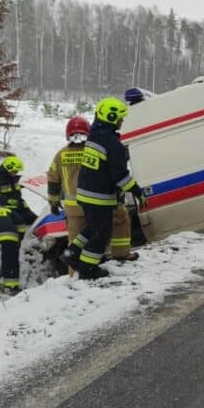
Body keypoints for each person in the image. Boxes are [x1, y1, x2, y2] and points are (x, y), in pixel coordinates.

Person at [63, 97, 146, 279]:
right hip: (98, 197)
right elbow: (121, 177)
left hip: (85, 194)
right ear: (111, 117)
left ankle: (73, 252)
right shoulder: (113, 144)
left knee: (93, 228)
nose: (122, 121)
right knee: (101, 235)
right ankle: (88, 269)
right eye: (120, 118)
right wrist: (138, 192)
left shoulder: (95, 135)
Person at [48, 116, 139, 266]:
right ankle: (120, 254)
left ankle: (75, 272)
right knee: (118, 222)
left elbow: (53, 178)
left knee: (77, 237)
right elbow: (112, 172)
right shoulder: (96, 150)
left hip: (74, 208)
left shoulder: (61, 155)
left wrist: (53, 200)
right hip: (100, 201)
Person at [0, 155, 37, 239]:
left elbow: (30, 180)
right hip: (8, 208)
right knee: (18, 223)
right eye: (14, 171)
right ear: (8, 168)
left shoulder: (16, 178)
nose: (16, 173)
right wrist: (4, 200)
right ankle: (19, 239)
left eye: (17, 171)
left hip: (21, 205)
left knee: (35, 220)